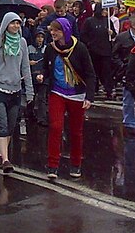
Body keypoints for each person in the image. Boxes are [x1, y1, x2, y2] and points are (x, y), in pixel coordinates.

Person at [43, 17, 95, 180]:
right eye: (51, 30)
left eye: (56, 30)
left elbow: (90, 74)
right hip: (57, 92)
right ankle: (52, 166)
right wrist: (41, 75)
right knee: (56, 127)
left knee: (75, 132)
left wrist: (89, 97)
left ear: (65, 31)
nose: (53, 33)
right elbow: (46, 69)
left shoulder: (80, 48)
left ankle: (75, 163)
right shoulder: (50, 49)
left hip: (77, 94)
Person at [0, 12, 34, 174]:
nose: (16, 26)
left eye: (18, 23)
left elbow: (25, 67)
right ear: (5, 25)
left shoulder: (23, 42)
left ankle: (0, 153)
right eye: (13, 23)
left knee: (11, 125)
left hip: (15, 89)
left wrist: (30, 90)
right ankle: (5, 159)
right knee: (2, 123)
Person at [114, 12, 135, 136]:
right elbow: (114, 55)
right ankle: (129, 125)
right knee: (128, 99)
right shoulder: (122, 38)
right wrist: (121, 66)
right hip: (127, 74)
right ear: (134, 25)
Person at [79, 3, 113, 99]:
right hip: (93, 51)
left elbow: (113, 36)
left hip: (106, 51)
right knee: (94, 71)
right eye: (104, 10)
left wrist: (112, 33)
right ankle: (94, 89)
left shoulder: (108, 21)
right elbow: (83, 35)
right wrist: (90, 44)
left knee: (106, 72)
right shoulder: (89, 21)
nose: (105, 12)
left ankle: (108, 90)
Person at [28, 30, 49, 126]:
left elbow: (49, 65)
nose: (40, 39)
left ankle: (42, 118)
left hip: (43, 77)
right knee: (31, 97)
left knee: (42, 98)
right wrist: (29, 62)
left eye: (42, 37)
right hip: (31, 76)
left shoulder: (47, 49)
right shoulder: (29, 49)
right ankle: (30, 115)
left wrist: (43, 75)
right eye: (38, 37)